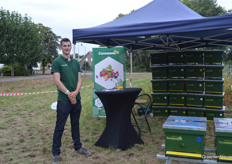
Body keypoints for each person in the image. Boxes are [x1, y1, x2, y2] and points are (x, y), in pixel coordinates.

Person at [51, 38, 91, 164]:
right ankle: (56, 154)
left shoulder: (76, 63)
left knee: (75, 125)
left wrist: (76, 93)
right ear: (61, 47)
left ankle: (78, 147)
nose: (67, 48)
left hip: (76, 99)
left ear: (70, 47)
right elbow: (57, 81)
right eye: (64, 46)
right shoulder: (57, 62)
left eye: (68, 46)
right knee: (60, 127)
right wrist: (69, 94)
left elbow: (80, 80)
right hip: (63, 100)